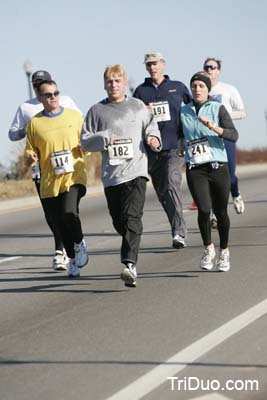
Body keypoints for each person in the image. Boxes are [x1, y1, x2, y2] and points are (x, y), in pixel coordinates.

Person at [81, 64, 161, 287]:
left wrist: (154, 139)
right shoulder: (96, 111)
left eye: (117, 80)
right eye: (109, 81)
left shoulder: (137, 107)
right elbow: (85, 142)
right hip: (112, 176)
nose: (113, 84)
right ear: (104, 84)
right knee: (119, 221)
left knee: (133, 217)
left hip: (136, 171)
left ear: (125, 83)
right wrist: (104, 137)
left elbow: (151, 127)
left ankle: (130, 264)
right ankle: (130, 244)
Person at [9, 70, 81, 271]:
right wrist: (32, 128)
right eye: (36, 83)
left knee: (68, 211)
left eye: (44, 82)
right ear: (35, 89)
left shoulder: (64, 100)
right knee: (53, 215)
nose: (51, 97)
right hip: (42, 169)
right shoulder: (26, 108)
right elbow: (12, 134)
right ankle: (65, 247)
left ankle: (62, 250)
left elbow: (80, 124)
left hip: (68, 168)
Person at [25, 79, 88, 278]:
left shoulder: (74, 116)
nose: (53, 97)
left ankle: (79, 243)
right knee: (59, 223)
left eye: (56, 93)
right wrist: (29, 157)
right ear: (40, 98)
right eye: (48, 95)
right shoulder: (35, 123)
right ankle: (72, 258)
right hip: (49, 182)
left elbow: (86, 141)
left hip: (73, 177)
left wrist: (87, 147)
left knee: (69, 212)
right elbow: (29, 152)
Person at [178, 72, 239, 272]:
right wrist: (180, 146)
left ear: (207, 89)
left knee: (221, 212)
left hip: (217, 166)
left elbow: (233, 134)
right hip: (196, 167)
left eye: (201, 86)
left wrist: (215, 128)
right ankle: (208, 248)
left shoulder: (217, 108)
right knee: (204, 209)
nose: (197, 89)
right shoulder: (184, 111)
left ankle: (224, 251)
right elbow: (180, 134)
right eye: (194, 86)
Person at [133, 51, 190, 249]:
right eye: (149, 65)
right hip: (152, 150)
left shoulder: (178, 87)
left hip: (174, 146)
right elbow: (133, 120)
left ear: (163, 64)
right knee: (162, 192)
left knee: (172, 183)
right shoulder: (140, 91)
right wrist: (143, 112)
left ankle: (179, 232)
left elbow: (192, 111)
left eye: (155, 63)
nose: (152, 67)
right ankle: (176, 226)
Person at [203, 58, 246, 227]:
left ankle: (235, 193)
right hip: (209, 139)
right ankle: (214, 213)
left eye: (212, 67)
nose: (209, 70)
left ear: (219, 70)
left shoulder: (228, 90)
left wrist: (223, 115)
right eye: (206, 67)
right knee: (212, 175)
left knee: (229, 174)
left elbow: (242, 112)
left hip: (225, 136)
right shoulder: (201, 90)